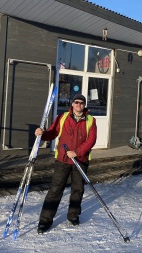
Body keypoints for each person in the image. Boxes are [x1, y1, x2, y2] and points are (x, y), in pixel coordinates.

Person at [35, 94, 97, 234]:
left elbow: (91, 140)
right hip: (63, 160)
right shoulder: (62, 117)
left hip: (80, 160)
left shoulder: (91, 120)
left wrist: (77, 152)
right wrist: (42, 134)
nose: (78, 105)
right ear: (72, 104)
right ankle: (45, 221)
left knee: (78, 189)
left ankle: (73, 215)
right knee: (55, 190)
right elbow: (52, 133)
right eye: (76, 102)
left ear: (84, 105)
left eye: (81, 103)